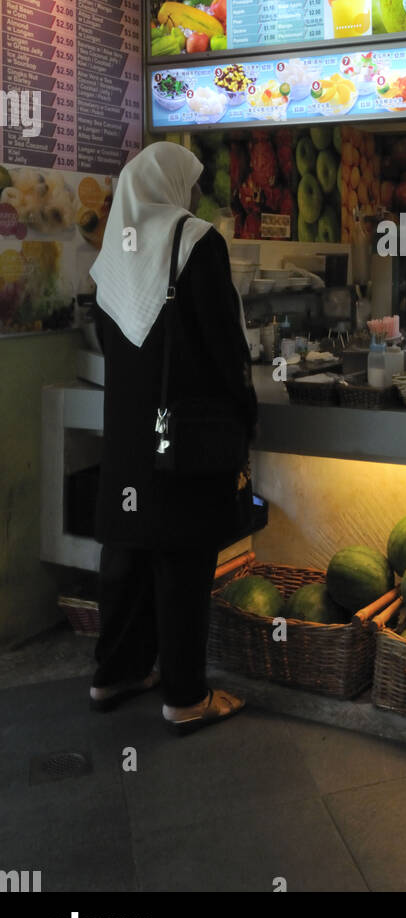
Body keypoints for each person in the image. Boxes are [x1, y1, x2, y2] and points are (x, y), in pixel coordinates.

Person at [89, 142, 259, 734]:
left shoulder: (113, 252)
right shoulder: (195, 241)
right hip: (185, 433)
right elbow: (222, 345)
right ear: (172, 186)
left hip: (130, 431)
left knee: (126, 552)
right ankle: (185, 697)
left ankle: (115, 672)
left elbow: (112, 344)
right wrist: (245, 407)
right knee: (183, 558)